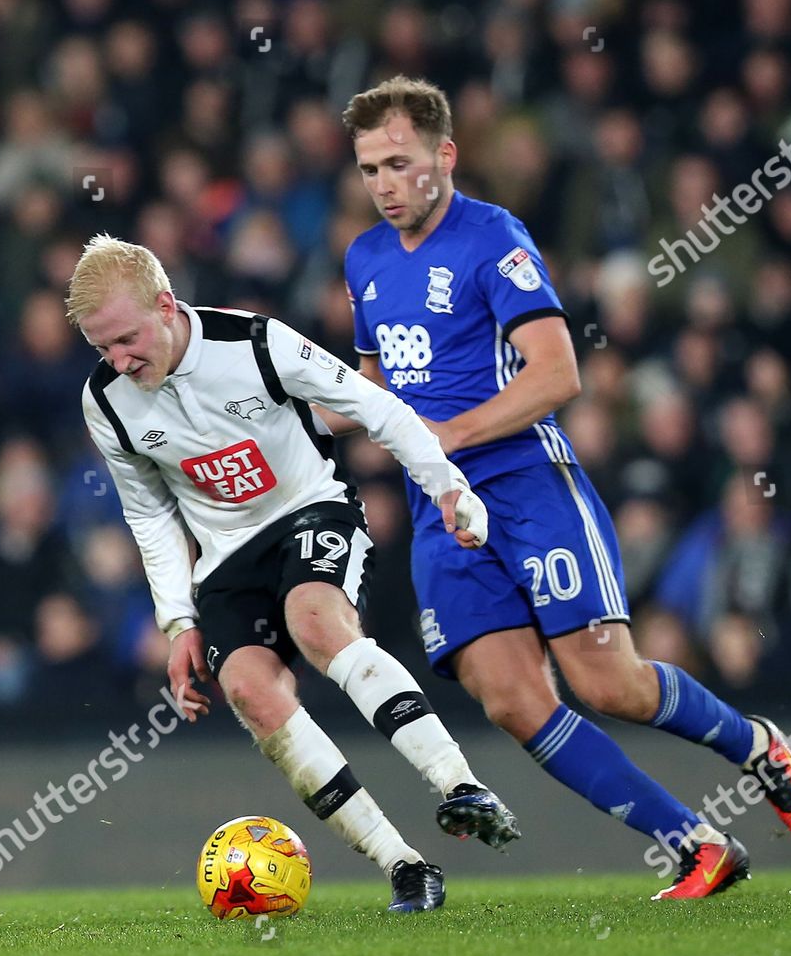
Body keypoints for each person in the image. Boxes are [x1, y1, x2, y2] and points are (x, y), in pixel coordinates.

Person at [330, 77, 791, 900]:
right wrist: (285, 409)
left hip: (526, 484)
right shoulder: (365, 258)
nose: (383, 184)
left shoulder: (494, 238)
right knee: (514, 702)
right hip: (439, 512)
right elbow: (375, 382)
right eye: (369, 168)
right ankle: (694, 845)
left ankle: (758, 746)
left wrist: (444, 436)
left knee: (608, 684)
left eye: (398, 163)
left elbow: (558, 374)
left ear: (445, 157)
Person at [69, 234, 519, 913]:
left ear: (166, 305)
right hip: (225, 555)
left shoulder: (254, 343)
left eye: (127, 339)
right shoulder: (105, 401)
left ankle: (459, 783)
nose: (119, 361)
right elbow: (151, 517)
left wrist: (447, 484)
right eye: (101, 349)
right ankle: (404, 866)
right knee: (250, 690)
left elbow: (376, 408)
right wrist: (177, 621)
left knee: (315, 621)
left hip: (311, 510)